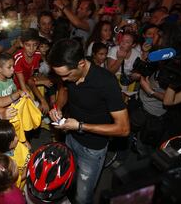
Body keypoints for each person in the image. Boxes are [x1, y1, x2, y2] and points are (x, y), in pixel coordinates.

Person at [48, 39, 130, 204]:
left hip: (92, 149)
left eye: (66, 75)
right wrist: (58, 107)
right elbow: (63, 90)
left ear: (81, 63)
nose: (63, 79)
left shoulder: (106, 82)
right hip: (70, 138)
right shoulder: (68, 77)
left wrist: (80, 126)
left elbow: (123, 129)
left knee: (83, 196)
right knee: (68, 180)